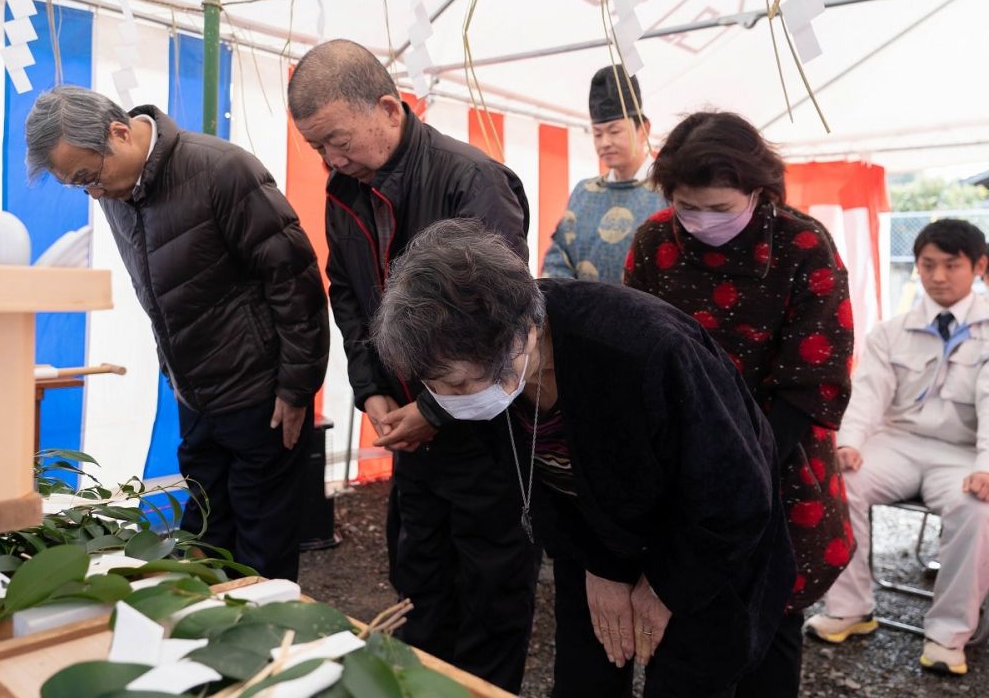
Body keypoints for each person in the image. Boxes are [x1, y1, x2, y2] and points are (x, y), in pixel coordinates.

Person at [370, 218, 795, 697]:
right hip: (592, 528)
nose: (453, 401)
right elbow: (533, 483)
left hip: (705, 538)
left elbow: (734, 496)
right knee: (584, 675)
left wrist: (663, 586)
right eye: (437, 388)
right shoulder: (483, 363)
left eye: (463, 385)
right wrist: (601, 566)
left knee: (690, 675)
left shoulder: (644, 348)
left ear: (522, 334)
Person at [287, 39, 536, 692]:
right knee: (420, 575)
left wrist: (433, 409)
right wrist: (370, 391)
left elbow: (498, 323)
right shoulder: (346, 193)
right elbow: (347, 294)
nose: (331, 160)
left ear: (389, 109)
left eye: (336, 140)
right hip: (407, 426)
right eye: (318, 149)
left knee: (490, 587)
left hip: (483, 430)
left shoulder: (469, 180)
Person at [24, 86, 329, 580]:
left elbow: (295, 280)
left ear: (119, 132)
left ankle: (262, 651)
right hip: (195, 395)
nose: (94, 193)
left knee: (260, 552)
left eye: (89, 176)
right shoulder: (116, 191)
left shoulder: (222, 170)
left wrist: (297, 386)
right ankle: (203, 646)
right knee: (206, 538)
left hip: (261, 398)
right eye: (79, 186)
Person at [624, 111, 855, 697]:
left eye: (720, 208)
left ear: (759, 190)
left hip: (779, 462)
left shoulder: (804, 246)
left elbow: (812, 379)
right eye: (686, 205)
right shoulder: (653, 242)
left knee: (767, 634)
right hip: (679, 464)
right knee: (682, 631)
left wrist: (738, 470)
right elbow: (632, 353)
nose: (701, 222)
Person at [805, 219, 989, 676]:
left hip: (964, 453)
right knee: (839, 479)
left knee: (978, 507)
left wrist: (986, 465)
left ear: (979, 267)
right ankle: (851, 608)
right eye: (928, 265)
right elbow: (867, 395)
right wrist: (848, 443)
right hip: (900, 443)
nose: (939, 276)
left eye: (952, 265)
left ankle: (949, 635)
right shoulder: (892, 331)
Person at [541, 65, 666, 283]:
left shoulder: (669, 190)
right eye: (597, 134)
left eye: (615, 131)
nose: (605, 142)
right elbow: (559, 257)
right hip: (584, 314)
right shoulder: (584, 192)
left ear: (643, 129)